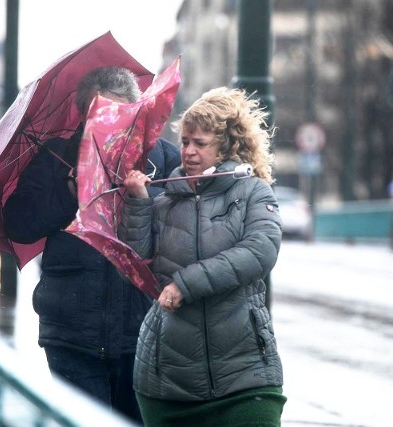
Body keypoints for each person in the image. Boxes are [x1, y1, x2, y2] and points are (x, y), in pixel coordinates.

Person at [2, 67, 180, 424]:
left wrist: (142, 201)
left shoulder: (163, 157)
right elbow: (18, 224)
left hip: (142, 332)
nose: (112, 123)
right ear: (85, 115)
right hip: (71, 332)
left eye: (122, 114)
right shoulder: (57, 157)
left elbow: (183, 235)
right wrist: (68, 192)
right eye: (102, 114)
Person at [118, 87, 286, 426]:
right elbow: (136, 265)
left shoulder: (253, 191)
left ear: (225, 146)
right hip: (168, 383)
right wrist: (138, 201)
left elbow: (260, 250)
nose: (189, 152)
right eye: (185, 142)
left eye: (200, 143)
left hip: (245, 374)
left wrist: (186, 284)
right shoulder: (164, 200)